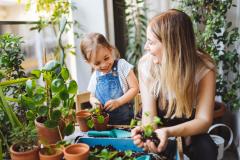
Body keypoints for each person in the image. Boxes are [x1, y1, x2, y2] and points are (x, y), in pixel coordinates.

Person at [131, 9, 218, 160]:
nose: (146, 47)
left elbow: (204, 120)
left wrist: (170, 132)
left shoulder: (204, 68)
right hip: (159, 120)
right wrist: (150, 134)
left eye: (151, 42)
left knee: (207, 149)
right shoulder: (146, 65)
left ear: (171, 47)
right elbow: (150, 114)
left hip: (189, 123)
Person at [80, 32, 139, 125]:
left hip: (125, 123)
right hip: (104, 125)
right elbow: (92, 96)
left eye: (106, 58)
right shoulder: (95, 75)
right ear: (88, 63)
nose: (104, 65)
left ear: (110, 49)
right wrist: (94, 102)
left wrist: (118, 102)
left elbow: (135, 88)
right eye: (97, 63)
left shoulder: (122, 66)